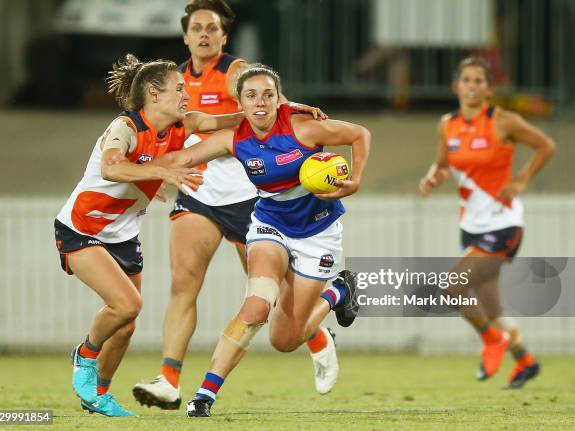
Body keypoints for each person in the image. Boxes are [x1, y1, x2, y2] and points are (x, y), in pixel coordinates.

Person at [132, 0, 332, 410]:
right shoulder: (175, 81)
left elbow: (267, 106)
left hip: (248, 197)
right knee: (183, 282)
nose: (205, 34)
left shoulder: (234, 72)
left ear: (224, 37)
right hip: (199, 194)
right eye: (198, 28)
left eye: (213, 28)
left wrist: (288, 110)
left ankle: (314, 332)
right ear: (185, 36)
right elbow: (173, 124)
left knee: (272, 297)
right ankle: (169, 380)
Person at [142, 64, 369, 417]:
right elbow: (182, 157)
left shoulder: (303, 127)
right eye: (251, 96)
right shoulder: (235, 139)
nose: (260, 102)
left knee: (284, 340)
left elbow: (360, 134)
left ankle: (338, 292)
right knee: (257, 305)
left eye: (267, 94)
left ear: (280, 100)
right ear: (241, 104)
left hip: (318, 233)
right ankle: (204, 395)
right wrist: (150, 172)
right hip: (269, 226)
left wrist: (354, 179)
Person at [55, 53, 252, 416]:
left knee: (126, 326)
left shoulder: (185, 124)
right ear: (154, 94)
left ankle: (96, 396)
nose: (186, 94)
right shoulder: (125, 128)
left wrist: (283, 110)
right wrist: (163, 172)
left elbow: (233, 119)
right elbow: (113, 168)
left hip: (123, 235)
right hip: (83, 228)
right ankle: (84, 355)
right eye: (179, 89)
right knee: (127, 304)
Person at [419, 57, 555, 388]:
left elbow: (545, 146)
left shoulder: (503, 121)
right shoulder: (447, 124)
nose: (472, 85)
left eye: (479, 80)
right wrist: (432, 178)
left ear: (488, 88)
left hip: (504, 223)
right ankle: (524, 359)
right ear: (456, 86)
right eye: (466, 79)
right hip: (472, 226)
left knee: (452, 286)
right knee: (491, 307)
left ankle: (493, 341)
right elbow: (441, 165)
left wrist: (521, 180)